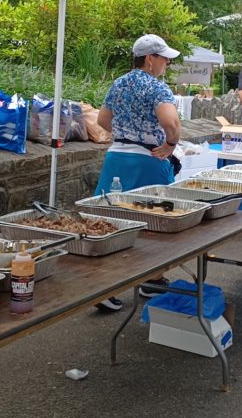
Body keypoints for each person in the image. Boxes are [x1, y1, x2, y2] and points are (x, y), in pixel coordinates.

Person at [94, 33, 181, 312]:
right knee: (155, 223)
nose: (167, 62)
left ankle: (103, 286)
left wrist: (125, 135)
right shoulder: (157, 88)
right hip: (147, 161)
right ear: (149, 59)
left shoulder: (118, 83)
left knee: (109, 221)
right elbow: (171, 123)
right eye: (164, 58)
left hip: (116, 157)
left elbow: (102, 119)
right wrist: (170, 145)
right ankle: (152, 280)